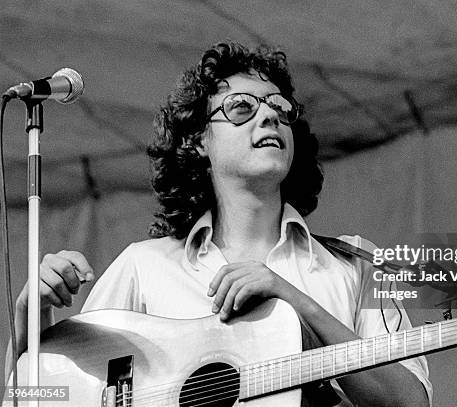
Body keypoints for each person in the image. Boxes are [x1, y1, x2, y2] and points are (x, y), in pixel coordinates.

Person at [10, 41, 431, 406]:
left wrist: (295, 302)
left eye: (281, 108)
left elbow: (410, 401)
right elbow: (36, 398)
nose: (270, 118)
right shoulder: (144, 266)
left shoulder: (362, 262)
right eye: (242, 107)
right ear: (198, 141)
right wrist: (29, 316)